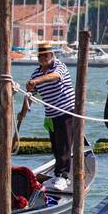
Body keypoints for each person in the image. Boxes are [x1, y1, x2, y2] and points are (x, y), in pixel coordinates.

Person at [25, 41, 77, 190]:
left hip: (67, 111)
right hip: (51, 114)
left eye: (46, 55)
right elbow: (30, 95)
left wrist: (35, 81)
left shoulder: (59, 66)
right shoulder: (36, 73)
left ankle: (64, 176)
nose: (43, 58)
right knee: (55, 146)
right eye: (40, 55)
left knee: (64, 145)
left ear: (52, 55)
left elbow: (54, 76)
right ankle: (57, 175)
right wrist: (22, 113)